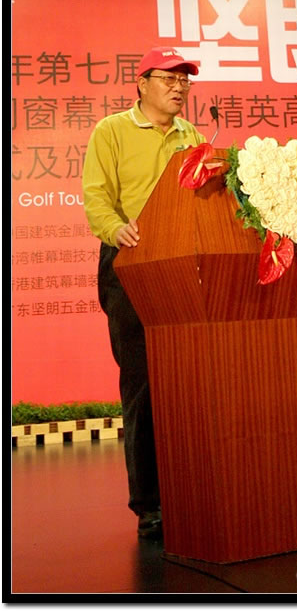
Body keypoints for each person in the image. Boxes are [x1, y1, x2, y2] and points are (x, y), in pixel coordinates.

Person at [82, 47, 206, 539]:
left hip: (182, 266)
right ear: (142, 83)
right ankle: (150, 504)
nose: (179, 88)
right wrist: (116, 228)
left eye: (184, 81)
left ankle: (189, 491)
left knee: (186, 383)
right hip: (129, 262)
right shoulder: (112, 131)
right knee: (143, 385)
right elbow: (97, 196)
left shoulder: (193, 136)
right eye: (168, 79)